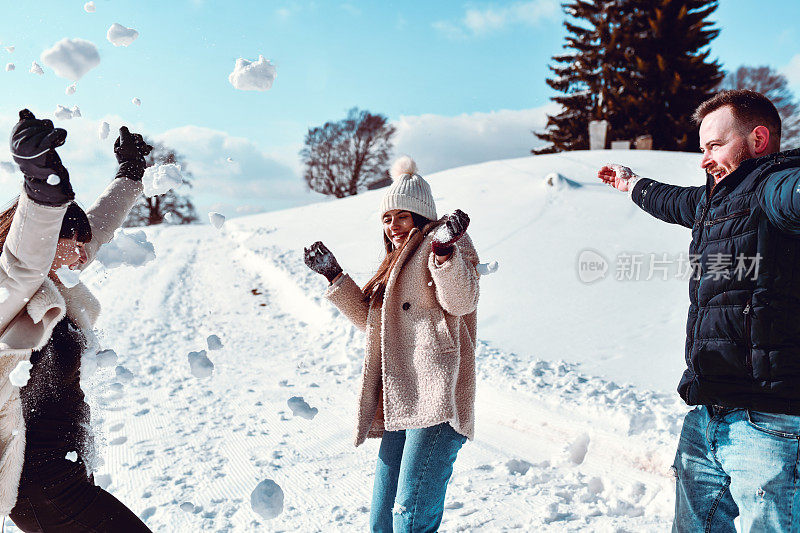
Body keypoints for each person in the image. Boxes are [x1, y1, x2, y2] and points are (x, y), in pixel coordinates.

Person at [598, 90, 800, 531]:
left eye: (714, 146)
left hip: (769, 423)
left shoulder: (775, 186)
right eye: (701, 148)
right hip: (707, 413)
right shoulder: (714, 201)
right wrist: (631, 183)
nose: (704, 159)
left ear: (758, 138)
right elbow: (672, 201)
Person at [304, 156, 480, 532]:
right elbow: (374, 324)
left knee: (409, 521)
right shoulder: (394, 261)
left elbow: (461, 302)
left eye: (401, 216)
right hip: (401, 401)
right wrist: (335, 276)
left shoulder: (445, 242)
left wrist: (445, 253)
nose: (393, 225)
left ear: (420, 214)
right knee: (382, 522)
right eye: (387, 218)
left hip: (437, 400)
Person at [0, 109, 153, 531]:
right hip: (37, 485)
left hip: (62, 473)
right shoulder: (10, 290)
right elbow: (24, 254)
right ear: (47, 241)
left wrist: (130, 173)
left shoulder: (58, 280)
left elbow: (102, 224)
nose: (83, 254)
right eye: (72, 243)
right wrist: (41, 183)